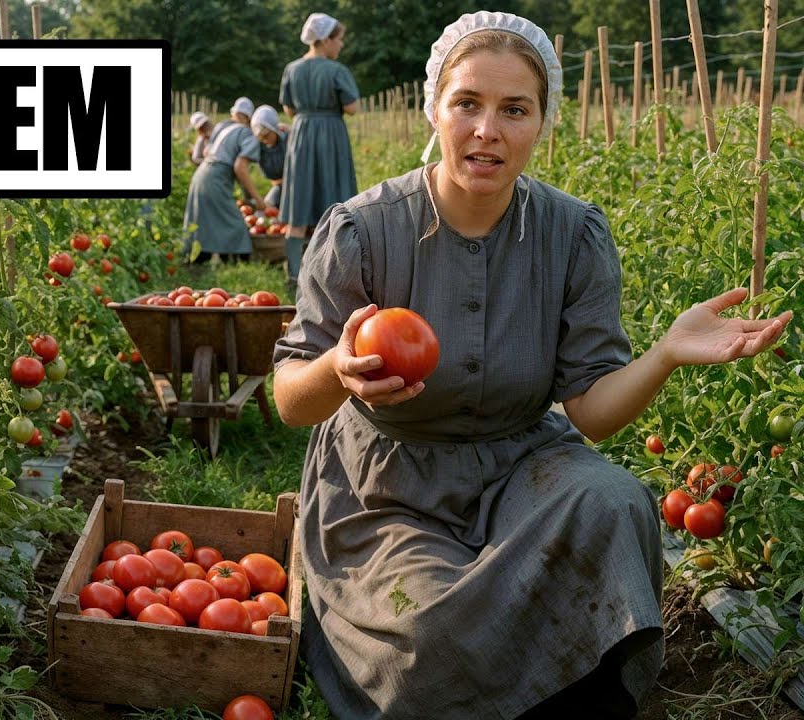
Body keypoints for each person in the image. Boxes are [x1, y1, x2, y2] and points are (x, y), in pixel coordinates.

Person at [271, 11, 792, 720]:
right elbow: (290, 401)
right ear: (437, 108)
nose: (488, 130)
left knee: (614, 502)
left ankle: (579, 690)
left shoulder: (573, 234)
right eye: (468, 104)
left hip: (521, 465)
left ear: (542, 121)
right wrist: (337, 366)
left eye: (515, 109)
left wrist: (667, 352)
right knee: (424, 632)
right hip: (390, 482)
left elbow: (590, 413)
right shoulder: (365, 230)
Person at [280, 12, 360, 284]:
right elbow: (352, 107)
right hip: (330, 135)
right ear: (325, 40)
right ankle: (330, 270)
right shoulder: (337, 71)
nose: (341, 45)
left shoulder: (292, 69)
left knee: (299, 198)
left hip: (301, 134)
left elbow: (289, 109)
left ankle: (294, 272)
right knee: (333, 192)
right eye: (339, 40)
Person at [182, 100, 263, 265]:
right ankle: (240, 261)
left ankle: (197, 260)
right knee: (234, 222)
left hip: (201, 174)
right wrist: (258, 199)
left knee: (201, 220)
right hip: (216, 177)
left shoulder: (222, 127)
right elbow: (240, 168)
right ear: (249, 118)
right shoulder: (246, 134)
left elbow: (205, 152)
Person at [251, 104, 288, 208]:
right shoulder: (259, 148)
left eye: (266, 135)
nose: (264, 139)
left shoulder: (287, 141)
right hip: (278, 187)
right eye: (260, 136)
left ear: (274, 130)